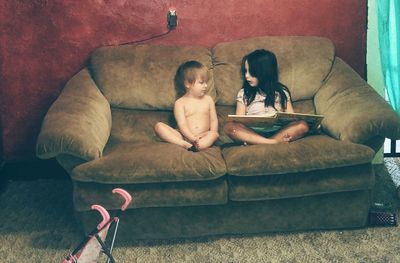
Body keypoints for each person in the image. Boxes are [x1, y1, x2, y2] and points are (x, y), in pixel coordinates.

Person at [224, 49, 309, 145]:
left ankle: (265, 142)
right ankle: (272, 142)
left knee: (302, 125)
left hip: (279, 132)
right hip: (252, 134)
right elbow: (239, 121)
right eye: (245, 71)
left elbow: (292, 118)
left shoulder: (282, 92)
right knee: (230, 127)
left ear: (265, 72)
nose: (247, 76)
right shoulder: (244, 93)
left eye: (251, 72)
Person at [154, 60, 219, 151]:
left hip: (203, 135)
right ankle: (185, 145)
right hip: (183, 136)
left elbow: (213, 120)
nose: (206, 85)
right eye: (201, 82)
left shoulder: (208, 100)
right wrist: (192, 138)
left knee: (214, 134)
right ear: (188, 83)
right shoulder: (180, 103)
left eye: (206, 82)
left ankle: (198, 146)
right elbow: (182, 124)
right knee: (159, 126)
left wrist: (212, 132)